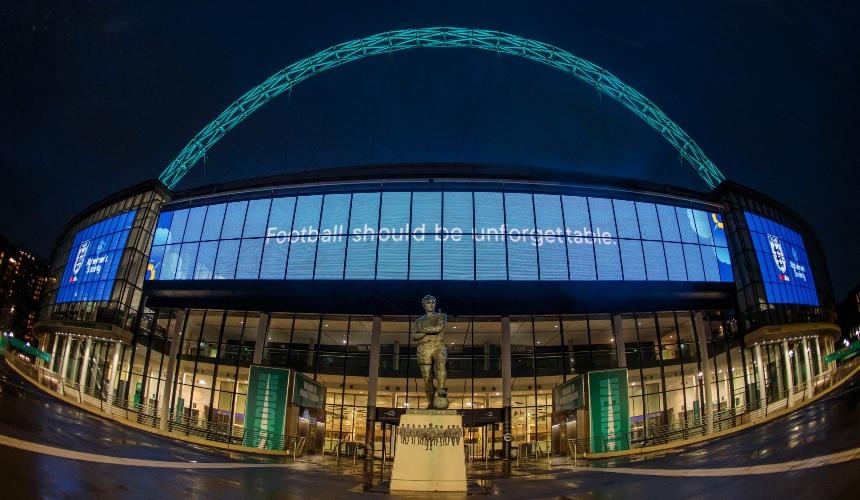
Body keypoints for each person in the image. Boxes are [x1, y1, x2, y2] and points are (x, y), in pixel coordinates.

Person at [413, 295, 448, 408]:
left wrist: (422, 331)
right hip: (423, 348)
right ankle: (431, 402)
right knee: (427, 378)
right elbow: (414, 336)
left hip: (438, 345)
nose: (431, 304)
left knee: (440, 364)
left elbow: (438, 328)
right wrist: (425, 333)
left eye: (433, 302)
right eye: (429, 302)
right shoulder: (418, 321)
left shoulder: (441, 315)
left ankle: (441, 389)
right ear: (424, 304)